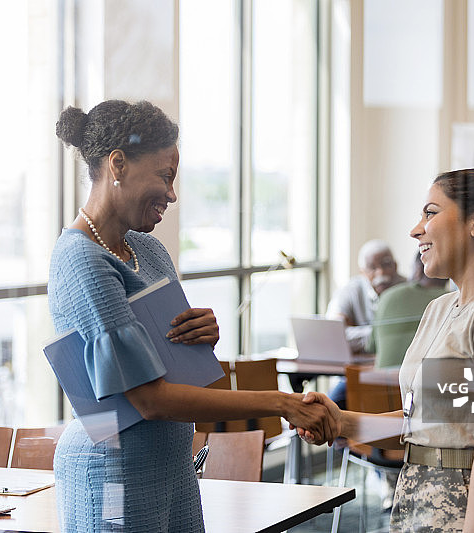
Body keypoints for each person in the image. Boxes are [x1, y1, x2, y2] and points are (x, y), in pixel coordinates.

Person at [48, 100, 337, 532]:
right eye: (164, 176)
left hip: (172, 466)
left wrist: (202, 340)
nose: (172, 193)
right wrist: (283, 402)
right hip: (112, 472)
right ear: (119, 164)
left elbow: (180, 374)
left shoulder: (149, 250)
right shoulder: (82, 260)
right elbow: (150, 400)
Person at [299, 169, 474, 531]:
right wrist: (341, 421)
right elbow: (423, 424)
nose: (416, 230)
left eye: (430, 213)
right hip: (422, 507)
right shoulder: (440, 309)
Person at [370, 251, 450, 368]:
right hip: (426, 382)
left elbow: (371, 347)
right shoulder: (455, 301)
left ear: (417, 270)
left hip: (378, 383)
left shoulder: (387, 296)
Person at [326, 239, 406, 353]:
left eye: (386, 265)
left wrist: (357, 335)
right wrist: (381, 333)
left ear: (395, 266)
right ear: (362, 272)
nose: (380, 273)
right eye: (372, 268)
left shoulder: (408, 288)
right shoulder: (350, 290)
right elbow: (334, 333)